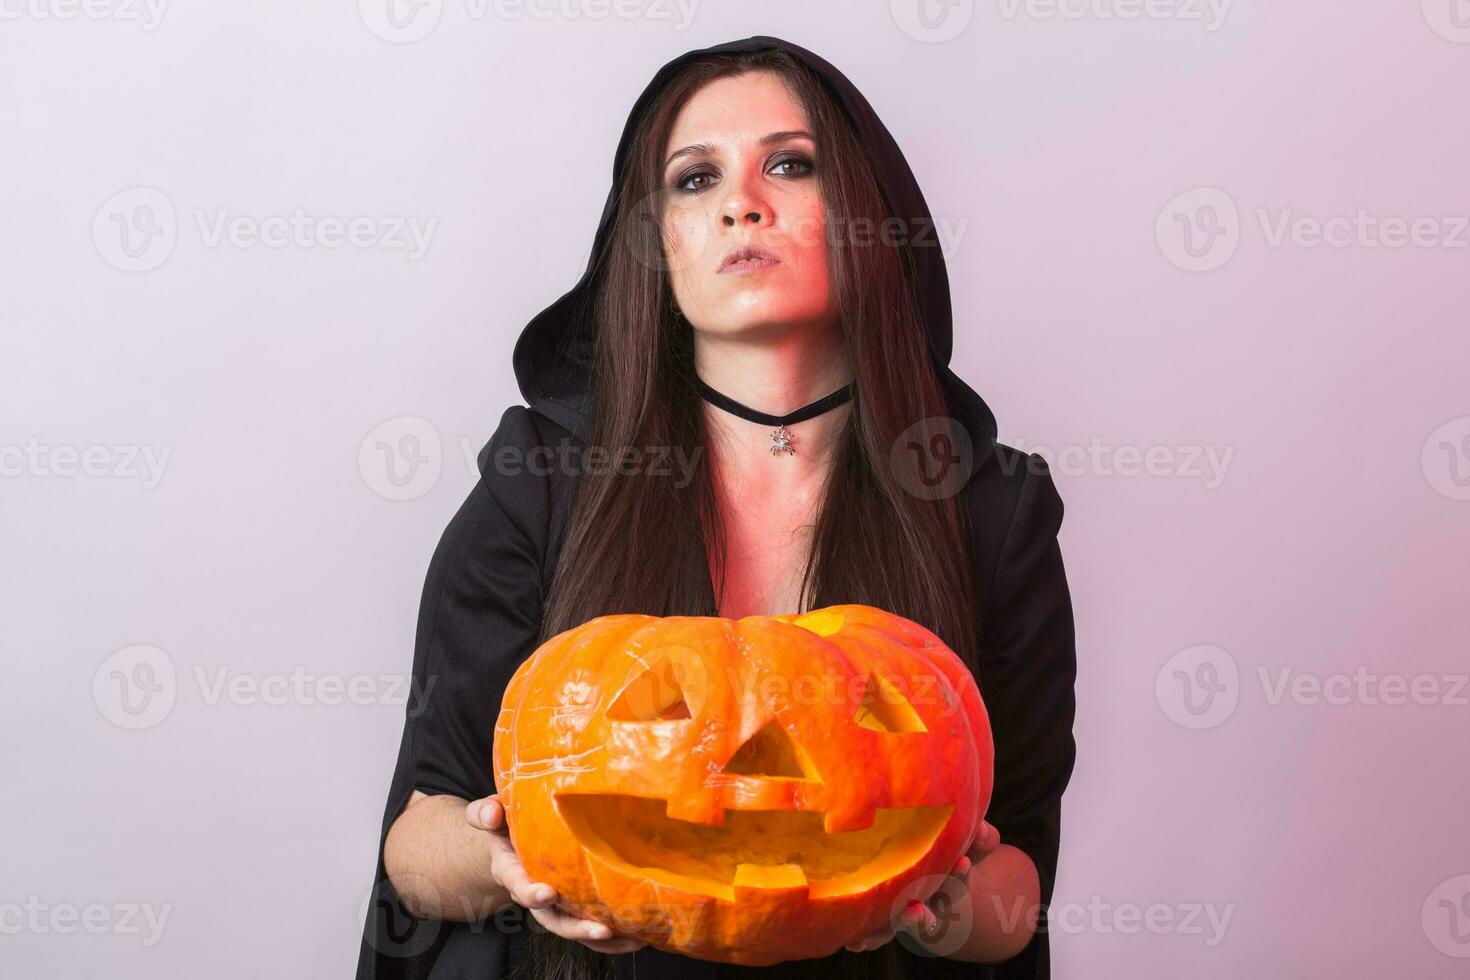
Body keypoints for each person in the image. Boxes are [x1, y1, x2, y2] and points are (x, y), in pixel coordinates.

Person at [357, 35, 1077, 980]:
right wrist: (505, 862)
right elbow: (417, 841)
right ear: (655, 245)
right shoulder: (537, 483)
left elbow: (1020, 877)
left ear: (868, 217)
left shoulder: (991, 507)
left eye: (790, 164)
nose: (742, 202)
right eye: (694, 180)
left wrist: (938, 911)